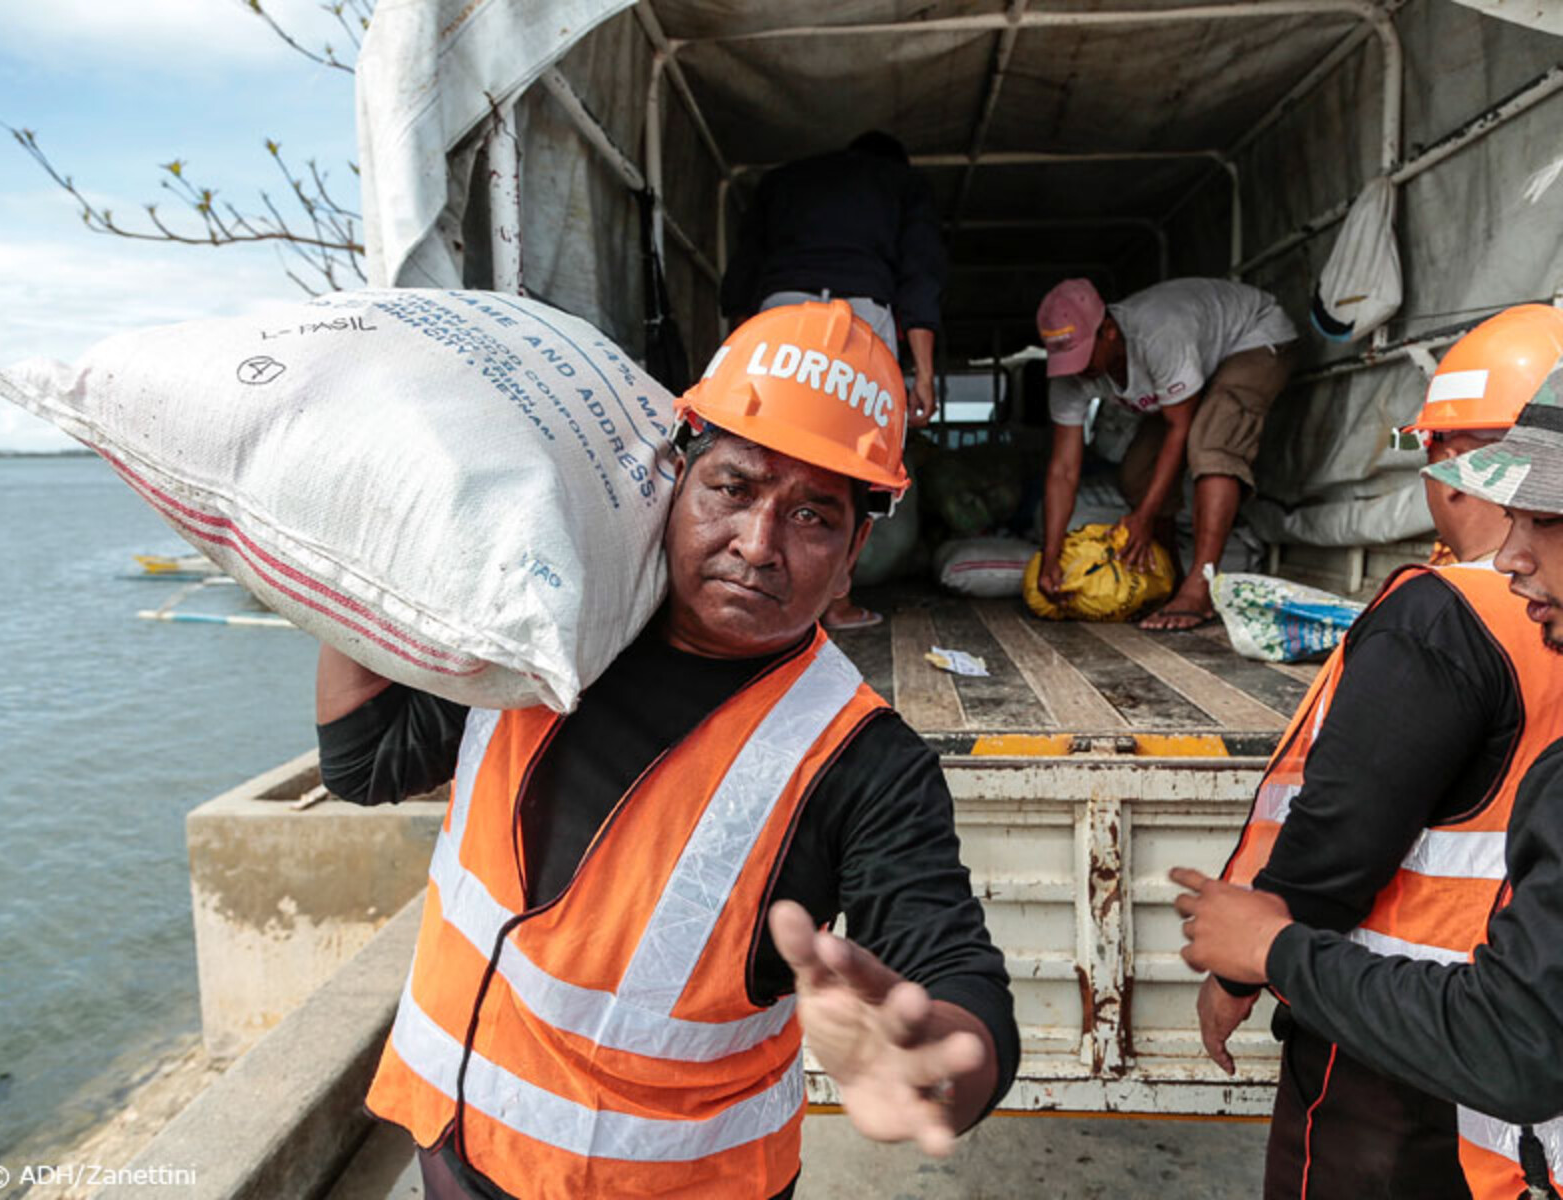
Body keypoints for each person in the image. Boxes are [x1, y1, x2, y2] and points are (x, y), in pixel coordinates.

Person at [316, 299, 1017, 1200]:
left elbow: (951, 966)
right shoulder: (551, 620)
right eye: (735, 486)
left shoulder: (862, 761)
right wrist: (356, 545)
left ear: (855, 554)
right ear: (675, 478)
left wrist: (936, 1064)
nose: (758, 544)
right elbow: (365, 762)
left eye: (813, 516)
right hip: (454, 1142)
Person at [1172, 339, 1563, 1200]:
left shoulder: (1442, 615)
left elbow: (1339, 837)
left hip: (1390, 1047)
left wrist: (1253, 960)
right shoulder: (1533, 623)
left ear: (1457, 466)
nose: (1519, 556)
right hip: (1506, 1064)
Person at [721, 130, 945, 631]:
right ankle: (836, 604)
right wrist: (923, 375)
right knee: (853, 463)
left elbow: (742, 273)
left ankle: (755, 594)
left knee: (764, 452)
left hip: (779, 311)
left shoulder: (782, 181)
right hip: (862, 318)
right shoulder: (902, 183)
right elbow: (920, 275)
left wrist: (738, 355)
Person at [1035, 276, 1298, 630]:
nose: (1077, 370)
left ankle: (1200, 589)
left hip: (1254, 339)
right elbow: (1063, 469)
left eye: (1082, 355)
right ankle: (1169, 578)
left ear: (1109, 330)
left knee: (1211, 444)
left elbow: (1180, 428)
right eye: (1067, 360)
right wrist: (1050, 557)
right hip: (1192, 369)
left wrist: (1144, 517)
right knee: (1136, 473)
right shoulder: (1070, 375)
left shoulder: (1157, 334)